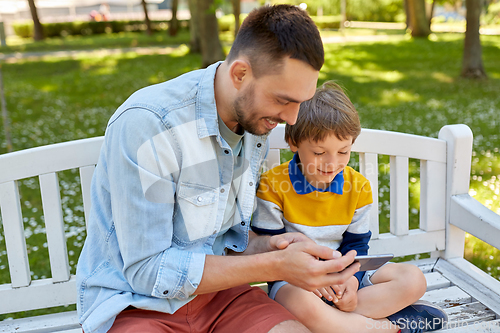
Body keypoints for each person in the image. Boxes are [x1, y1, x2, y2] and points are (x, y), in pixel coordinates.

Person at [76, 5, 361, 333]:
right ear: (240, 74)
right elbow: (147, 271)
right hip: (136, 305)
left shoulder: (254, 125)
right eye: (284, 100)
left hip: (221, 297)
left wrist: (272, 247)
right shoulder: (151, 126)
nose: (292, 119)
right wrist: (273, 264)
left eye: (301, 101)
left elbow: (223, 241)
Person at [251, 81, 449, 333]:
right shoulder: (273, 185)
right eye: (320, 152)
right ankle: (393, 327)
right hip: (296, 281)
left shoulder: (358, 187)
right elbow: (272, 248)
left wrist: (351, 284)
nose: (332, 163)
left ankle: (333, 322)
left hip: (345, 275)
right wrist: (311, 280)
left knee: (413, 279)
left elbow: (356, 246)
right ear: (293, 142)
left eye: (343, 152)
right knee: (302, 305)